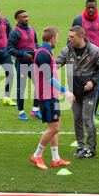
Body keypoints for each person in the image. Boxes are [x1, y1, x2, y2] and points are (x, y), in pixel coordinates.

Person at [56, 26, 99, 159]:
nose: (69, 39)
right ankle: (81, 147)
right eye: (69, 36)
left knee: (87, 118)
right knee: (77, 119)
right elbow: (56, 64)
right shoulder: (67, 51)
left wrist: (93, 82)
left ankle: (91, 149)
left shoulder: (95, 52)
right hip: (74, 92)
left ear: (81, 37)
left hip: (89, 92)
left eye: (72, 37)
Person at [31, 26, 75, 170]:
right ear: (52, 39)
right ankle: (37, 155)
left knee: (56, 126)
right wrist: (65, 91)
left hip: (51, 95)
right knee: (53, 127)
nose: (57, 41)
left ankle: (55, 158)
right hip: (47, 96)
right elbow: (49, 78)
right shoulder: (43, 54)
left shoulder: (45, 52)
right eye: (57, 38)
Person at [7, 10, 41, 121]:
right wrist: (25, 54)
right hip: (22, 63)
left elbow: (36, 43)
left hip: (33, 62)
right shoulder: (14, 32)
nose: (26, 18)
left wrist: (36, 51)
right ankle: (21, 112)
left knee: (39, 85)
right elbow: (10, 49)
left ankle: (35, 110)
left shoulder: (32, 29)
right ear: (17, 19)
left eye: (27, 16)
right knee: (21, 88)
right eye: (23, 17)